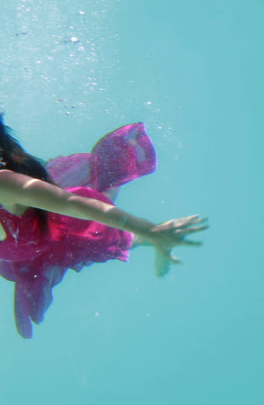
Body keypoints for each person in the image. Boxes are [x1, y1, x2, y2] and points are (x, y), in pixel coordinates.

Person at [0, 115, 208, 338]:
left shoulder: (5, 184)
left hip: (67, 226)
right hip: (26, 245)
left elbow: (74, 205)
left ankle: (145, 225)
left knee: (114, 228)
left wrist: (149, 230)